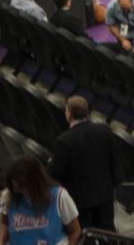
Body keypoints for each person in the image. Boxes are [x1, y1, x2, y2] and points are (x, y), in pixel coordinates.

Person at [50, 95, 120, 231]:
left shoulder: (65, 140)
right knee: (108, 235)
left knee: (83, 238)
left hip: (80, 202)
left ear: (69, 114)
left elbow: (55, 173)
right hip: (105, 196)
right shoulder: (104, 130)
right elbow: (115, 161)